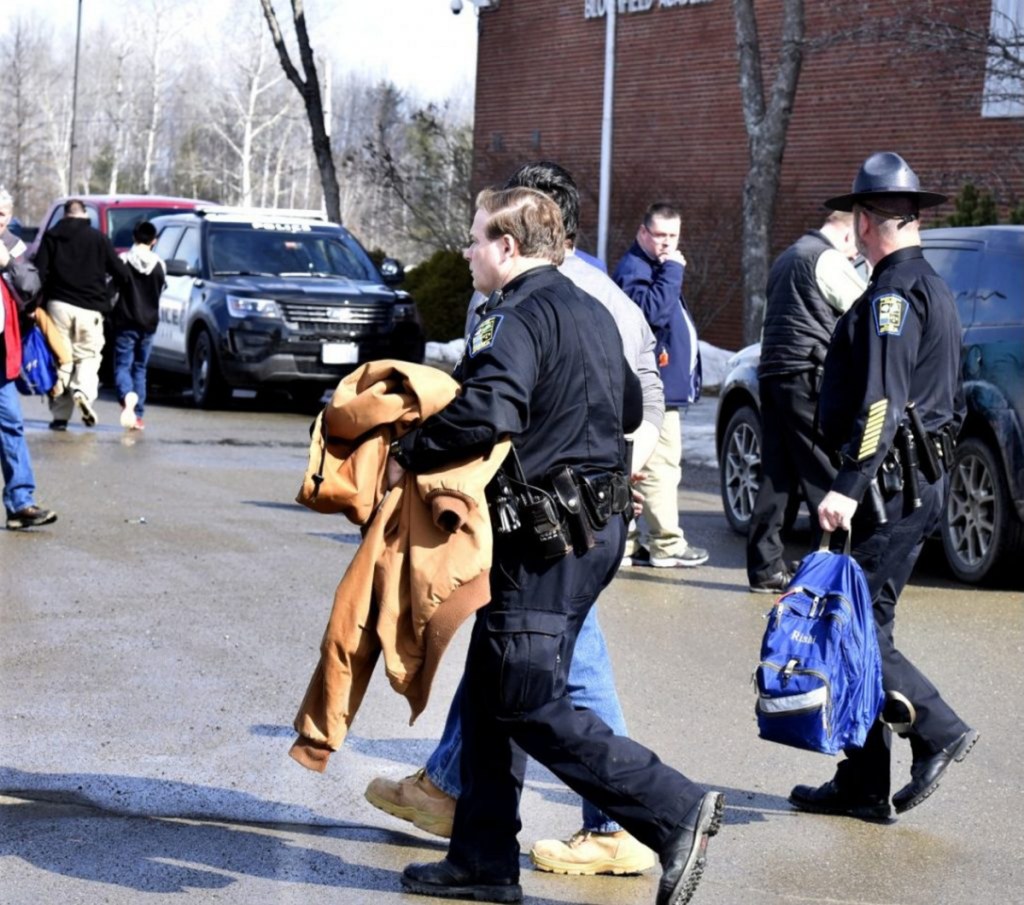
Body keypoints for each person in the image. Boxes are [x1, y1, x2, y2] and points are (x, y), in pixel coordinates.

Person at [393, 187, 723, 905]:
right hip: (594, 533)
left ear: (509, 248)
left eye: (477, 239)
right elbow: (632, 407)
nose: (468, 252)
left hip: (545, 541)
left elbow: (490, 407)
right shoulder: (593, 310)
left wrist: (409, 452)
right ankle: (481, 857)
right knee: (491, 690)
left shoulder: (510, 315)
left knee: (527, 695)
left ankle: (673, 809)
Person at [789, 151, 977, 821]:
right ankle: (864, 783)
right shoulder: (934, 285)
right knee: (859, 625)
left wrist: (846, 483)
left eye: (856, 217)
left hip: (890, 488)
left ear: (869, 221)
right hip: (913, 483)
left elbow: (882, 403)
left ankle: (939, 729)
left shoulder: (894, 295)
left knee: (856, 626)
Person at [746, 211, 866, 593]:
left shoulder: (787, 257)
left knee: (777, 475)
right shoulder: (827, 258)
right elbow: (862, 311)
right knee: (824, 472)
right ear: (848, 235)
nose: (854, 256)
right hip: (808, 376)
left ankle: (765, 569)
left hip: (772, 373)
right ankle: (826, 570)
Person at [613, 202, 707, 569]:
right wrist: (672, 271)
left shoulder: (654, 266)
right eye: (660, 235)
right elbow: (651, 313)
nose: (667, 244)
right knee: (660, 466)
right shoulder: (638, 268)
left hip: (658, 386)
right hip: (653, 390)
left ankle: (632, 541)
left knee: (642, 464)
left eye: (673, 236)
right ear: (642, 233)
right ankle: (666, 544)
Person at [34, 198, 131, 431]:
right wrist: (107, 294)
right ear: (84, 214)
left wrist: (40, 303)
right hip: (91, 308)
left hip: (57, 306)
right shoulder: (98, 238)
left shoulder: (52, 237)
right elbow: (122, 273)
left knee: (61, 358)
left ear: (65, 215)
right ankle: (83, 392)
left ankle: (60, 417)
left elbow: (39, 272)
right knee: (88, 356)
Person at [1, 195, 57, 531]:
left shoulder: (14, 246)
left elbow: (33, 287)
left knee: (11, 426)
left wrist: (9, 262)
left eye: (2, 213)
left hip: (3, 358)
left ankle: (21, 503)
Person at [112, 221, 165, 431]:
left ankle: (127, 398)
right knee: (140, 368)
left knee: (123, 365)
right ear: (154, 240)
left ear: (134, 237)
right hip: (149, 323)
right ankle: (138, 415)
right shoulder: (160, 264)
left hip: (125, 321)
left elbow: (113, 289)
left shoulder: (123, 260)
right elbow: (160, 291)